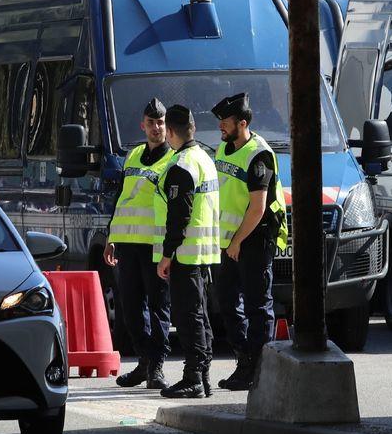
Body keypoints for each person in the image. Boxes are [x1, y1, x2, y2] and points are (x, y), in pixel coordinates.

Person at [211, 92, 288, 391]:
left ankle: (257, 368)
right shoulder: (224, 147)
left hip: (254, 238)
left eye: (226, 121)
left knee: (257, 306)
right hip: (230, 240)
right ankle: (245, 361)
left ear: (242, 123)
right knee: (227, 302)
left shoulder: (259, 155)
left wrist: (236, 242)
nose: (221, 126)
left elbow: (257, 208)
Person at [105, 98, 175, 390]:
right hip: (128, 244)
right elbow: (121, 198)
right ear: (142, 126)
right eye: (151, 123)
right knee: (131, 309)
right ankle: (144, 360)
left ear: (167, 126)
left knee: (159, 308)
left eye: (161, 122)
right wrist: (111, 237)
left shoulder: (173, 159)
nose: (157, 128)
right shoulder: (133, 155)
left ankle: (156, 365)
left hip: (156, 246)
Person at [154, 105, 220, 399]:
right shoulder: (204, 158)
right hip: (203, 253)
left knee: (188, 316)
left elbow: (179, 214)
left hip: (185, 253)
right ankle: (202, 375)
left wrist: (167, 254)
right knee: (199, 315)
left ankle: (194, 377)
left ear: (170, 132)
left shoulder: (182, 164)